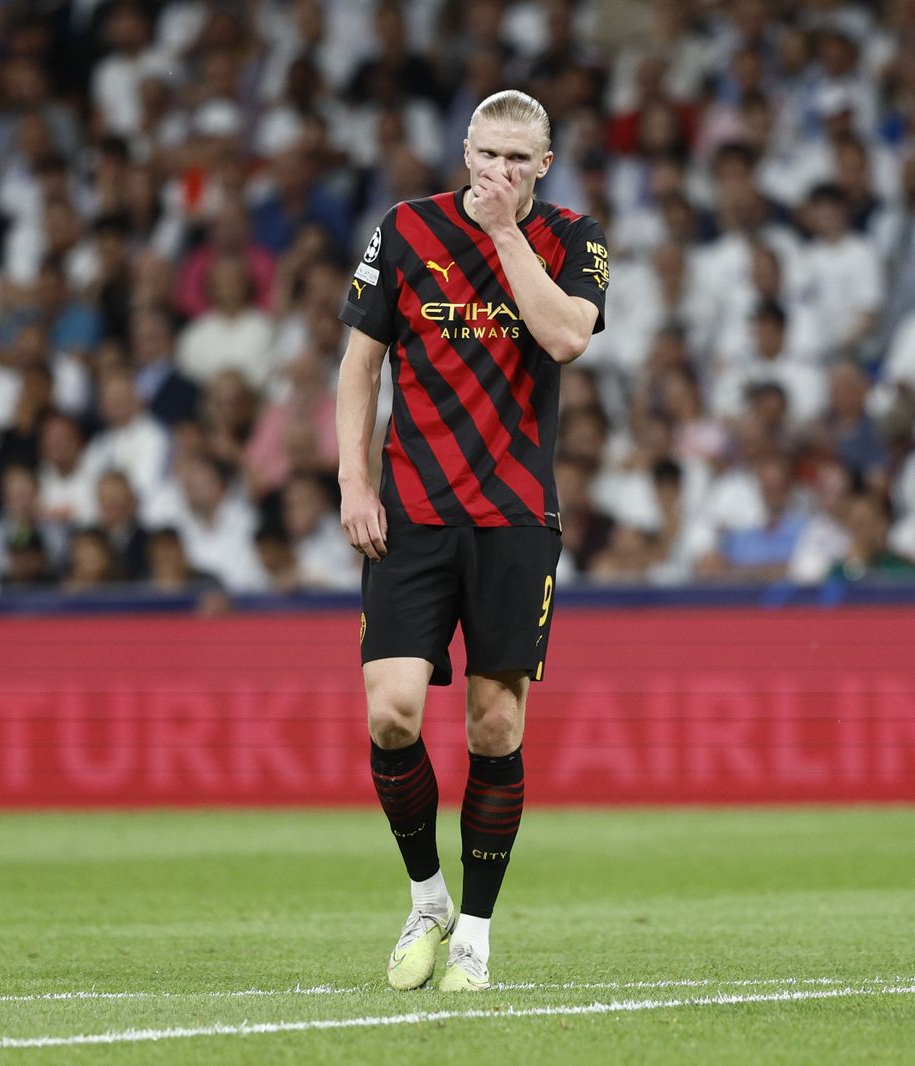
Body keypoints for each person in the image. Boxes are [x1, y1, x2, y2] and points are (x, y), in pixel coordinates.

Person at [335, 90, 607, 993]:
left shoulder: (573, 237)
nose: (497, 172)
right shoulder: (406, 230)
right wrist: (353, 482)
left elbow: (566, 336)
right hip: (412, 512)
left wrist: (503, 236)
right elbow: (359, 361)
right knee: (392, 712)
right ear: (464, 150)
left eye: (517, 160)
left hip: (515, 516)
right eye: (485, 154)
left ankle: (476, 937)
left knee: (495, 727)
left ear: (544, 166)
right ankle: (425, 897)